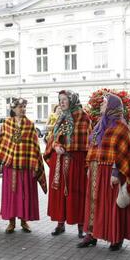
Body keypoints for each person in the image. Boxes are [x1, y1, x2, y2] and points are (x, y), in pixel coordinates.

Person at [81, 93, 130, 250]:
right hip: (96, 170)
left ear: (112, 107)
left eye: (104, 103)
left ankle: (116, 237)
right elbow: (92, 148)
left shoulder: (121, 126)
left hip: (111, 173)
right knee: (94, 203)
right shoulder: (100, 125)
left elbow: (125, 152)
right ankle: (91, 234)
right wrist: (89, 166)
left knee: (112, 206)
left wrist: (116, 172)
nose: (101, 105)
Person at [0, 98, 47, 232]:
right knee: (11, 195)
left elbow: (34, 146)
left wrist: (35, 165)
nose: (22, 109)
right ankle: (11, 222)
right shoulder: (6, 123)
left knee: (24, 195)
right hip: (10, 166)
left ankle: (24, 221)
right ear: (13, 109)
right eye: (20, 107)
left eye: (24, 107)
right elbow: (1, 143)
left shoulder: (29, 124)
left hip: (25, 165)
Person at [45, 90, 92, 237]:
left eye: (64, 99)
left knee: (77, 193)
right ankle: (60, 224)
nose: (61, 102)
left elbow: (87, 141)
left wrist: (67, 148)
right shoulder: (61, 117)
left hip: (75, 162)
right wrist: (55, 146)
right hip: (59, 160)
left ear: (72, 100)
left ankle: (80, 226)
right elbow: (53, 138)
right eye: (60, 100)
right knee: (59, 194)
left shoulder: (83, 117)